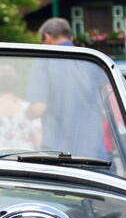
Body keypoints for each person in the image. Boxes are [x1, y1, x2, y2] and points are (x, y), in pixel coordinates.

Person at [25, 17, 107, 159]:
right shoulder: (91, 60)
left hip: (60, 153)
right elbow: (107, 107)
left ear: (47, 37)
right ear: (70, 37)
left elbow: (39, 107)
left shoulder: (44, 61)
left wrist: (25, 113)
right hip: (95, 152)